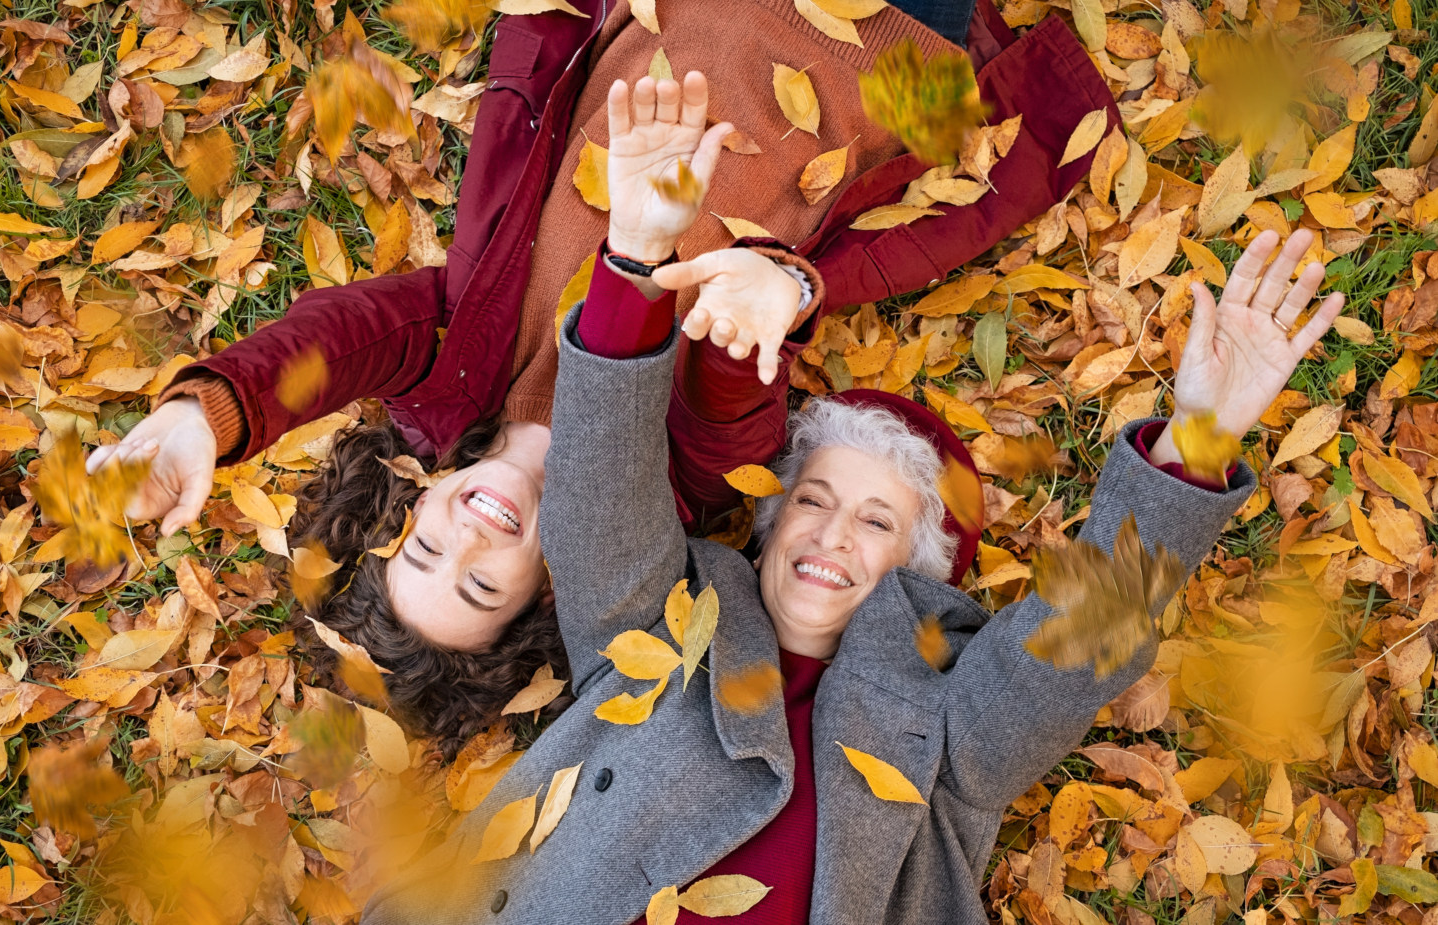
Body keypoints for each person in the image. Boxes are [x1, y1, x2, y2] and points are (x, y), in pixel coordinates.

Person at [358, 77, 1346, 924]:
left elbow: (1070, 653)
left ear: (914, 575)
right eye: (815, 501)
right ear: (770, 520)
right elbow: (596, 498)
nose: (831, 534)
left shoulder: (943, 736)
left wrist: (1201, 437)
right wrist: (634, 254)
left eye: (877, 521)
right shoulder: (666, 633)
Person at [87, 0, 1110, 752]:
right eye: (481, 580)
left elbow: (341, 336)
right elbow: (734, 413)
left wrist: (208, 421)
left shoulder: (452, 377)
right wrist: (768, 299)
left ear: (412, 496)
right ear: (539, 600)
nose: (471, 532)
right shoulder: (666, 485)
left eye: (427, 542)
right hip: (888, 52)